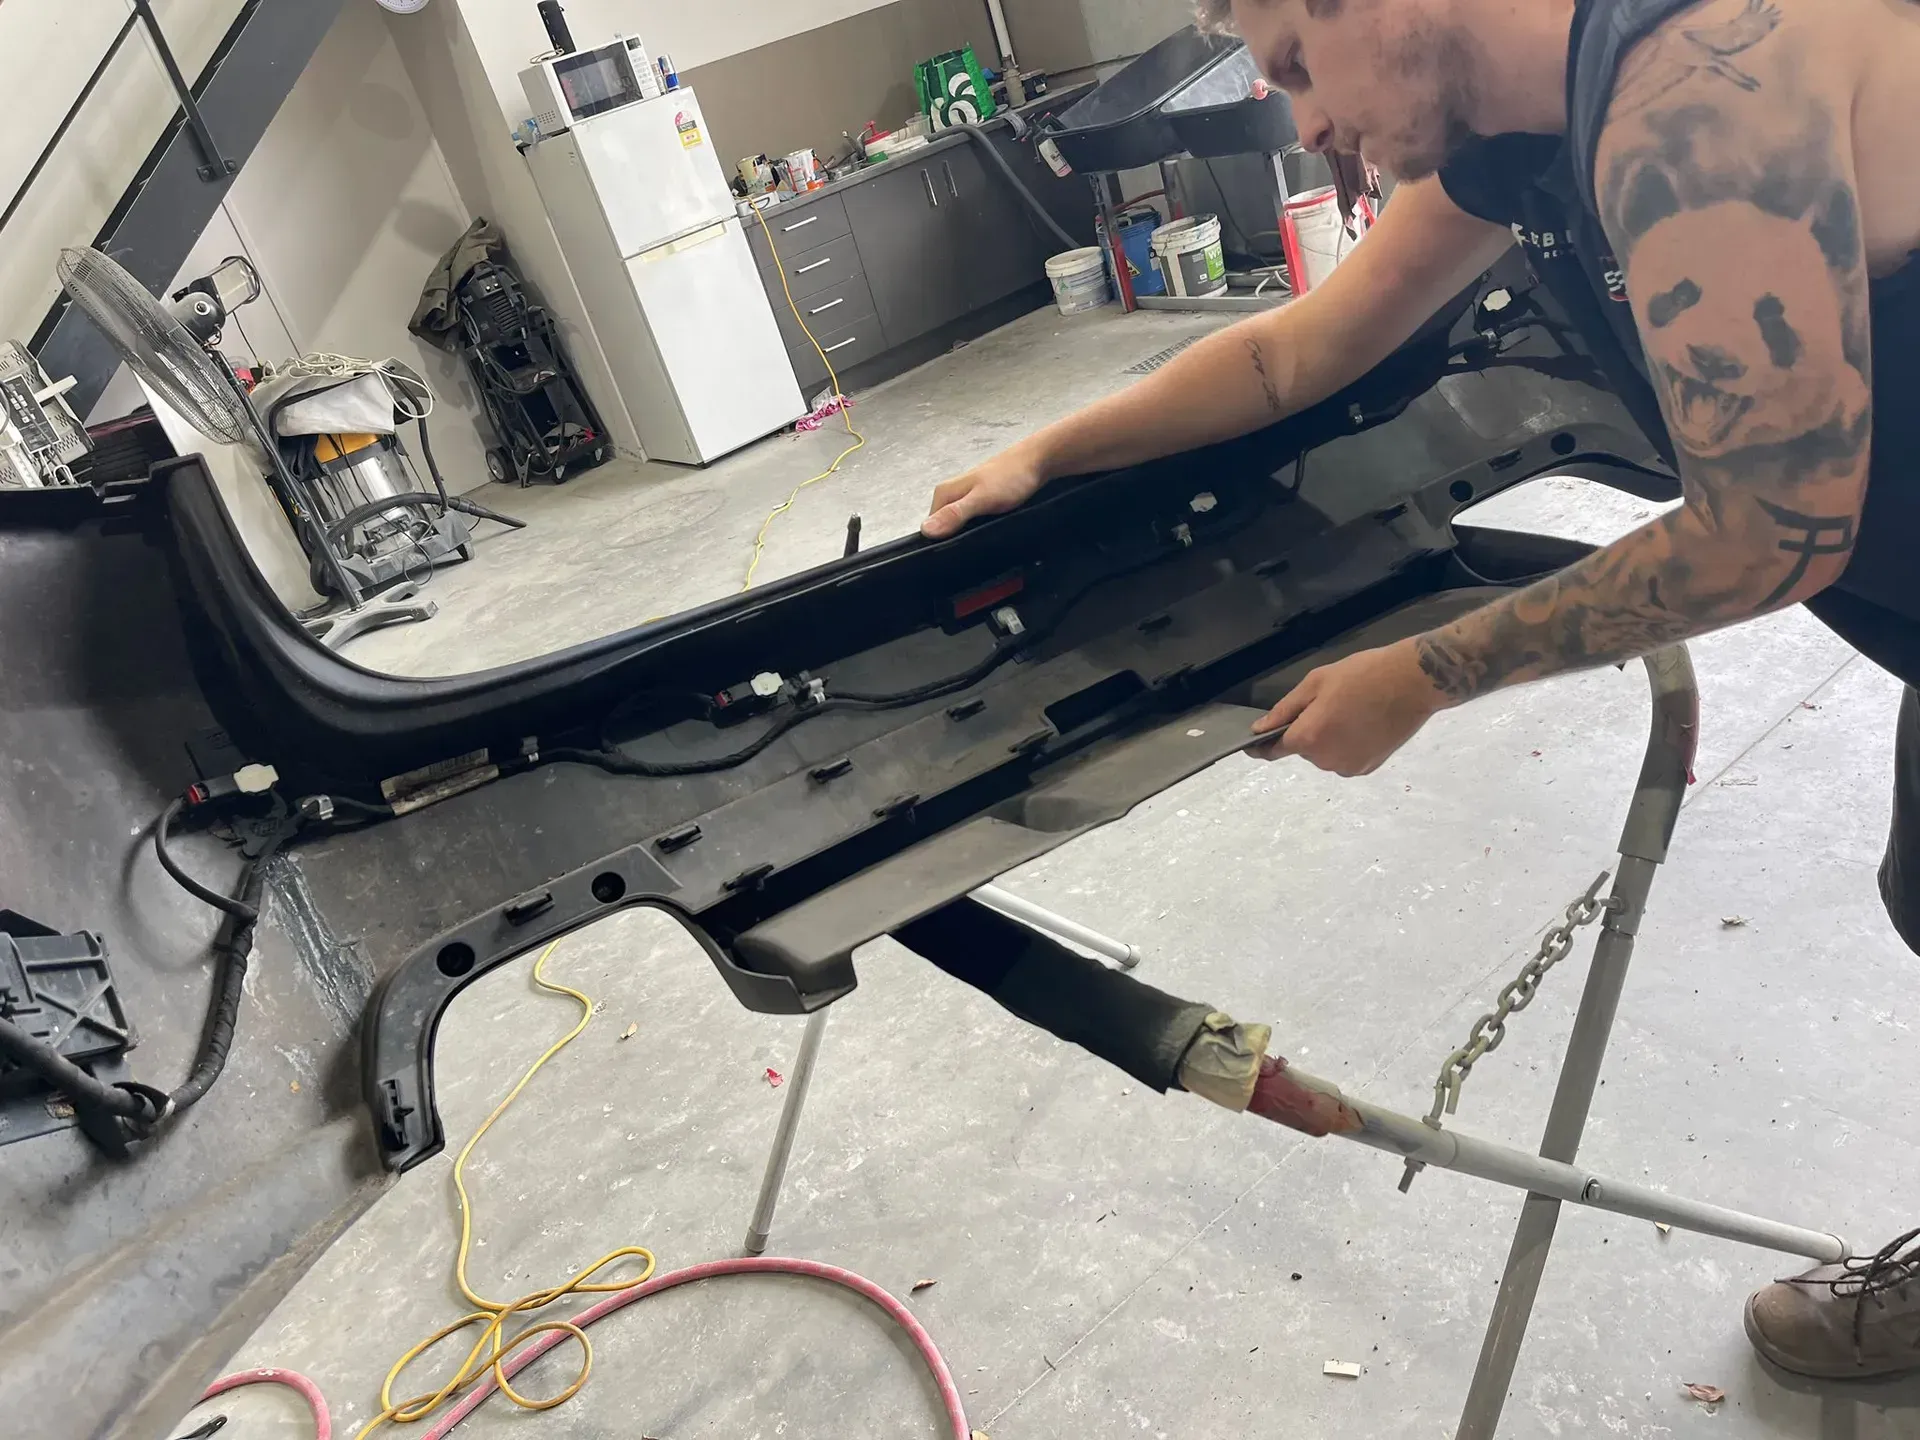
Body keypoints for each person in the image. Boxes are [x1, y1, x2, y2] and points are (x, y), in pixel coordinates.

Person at [922, 0, 1920, 1382]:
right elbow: (1294, 353)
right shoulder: (1522, 138)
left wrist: (1425, 675)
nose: (1303, 122)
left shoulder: (1696, 79)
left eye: (1294, 66)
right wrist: (1046, 451)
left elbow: (1774, 527)